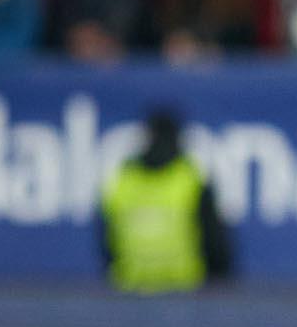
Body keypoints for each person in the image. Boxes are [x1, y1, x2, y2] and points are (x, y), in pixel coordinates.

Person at [99, 109, 232, 294]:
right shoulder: (191, 180)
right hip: (187, 290)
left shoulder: (122, 181)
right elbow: (215, 244)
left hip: (129, 290)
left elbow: (106, 243)